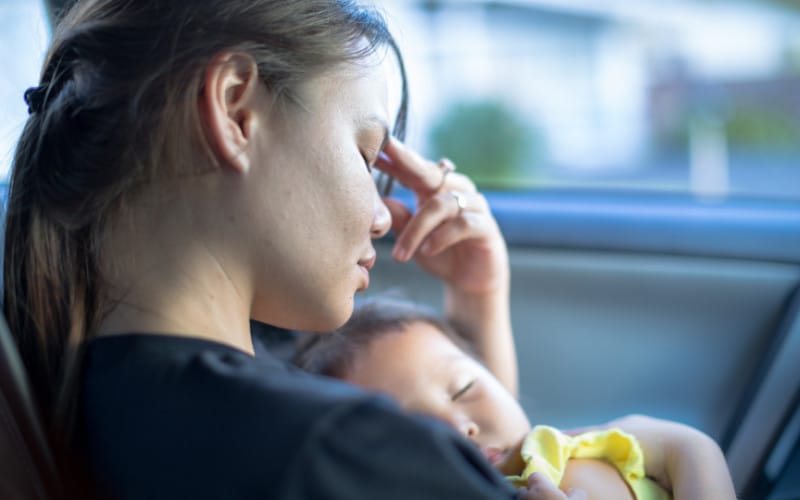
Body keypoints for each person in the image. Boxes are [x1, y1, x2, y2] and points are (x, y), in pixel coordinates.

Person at [1, 0, 735, 499]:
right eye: (365, 152)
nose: (384, 216)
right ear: (235, 109)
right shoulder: (335, 449)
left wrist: (476, 305)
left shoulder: (106, 395)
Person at [295, 299, 672, 499]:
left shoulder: (572, 450)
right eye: (416, 429)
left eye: (463, 389)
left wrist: (686, 452)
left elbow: (687, 448)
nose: (460, 429)